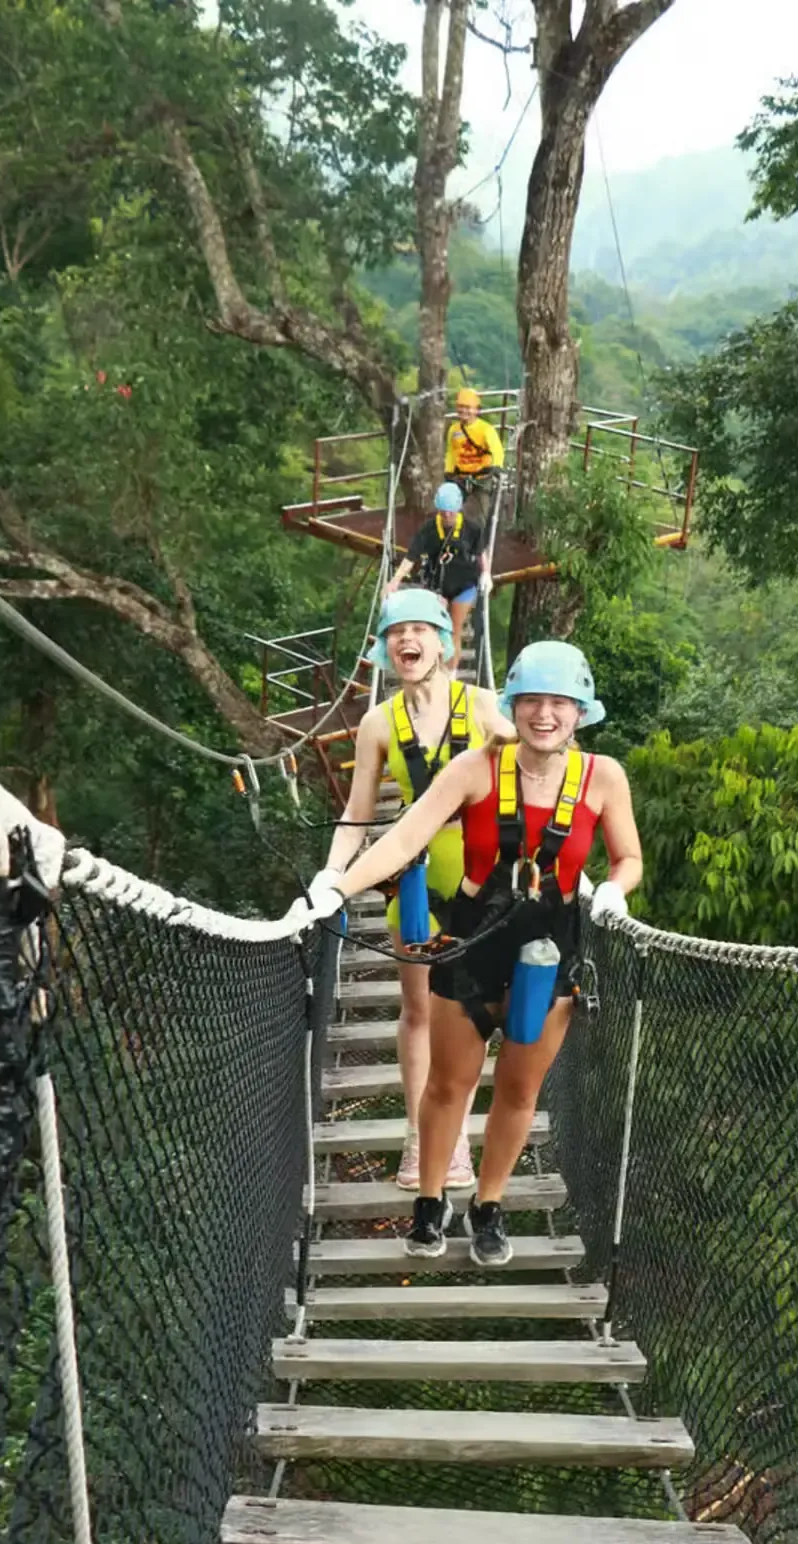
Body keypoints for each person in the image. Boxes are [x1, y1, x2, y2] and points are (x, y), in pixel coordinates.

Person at [288, 642, 641, 1269]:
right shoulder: (476, 767)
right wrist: (336, 886)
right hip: (471, 945)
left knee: (518, 1090)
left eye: (560, 703)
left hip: (549, 957)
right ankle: (430, 1202)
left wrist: (613, 891)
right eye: (532, 700)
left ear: (580, 711)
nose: (544, 714)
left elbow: (626, 857)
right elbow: (404, 837)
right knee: (448, 1084)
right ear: (512, 705)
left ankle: (489, 1205)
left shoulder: (603, 777)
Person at [306, 590, 514, 1191]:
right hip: (414, 876)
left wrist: (507, 738)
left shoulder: (480, 703)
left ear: (444, 643)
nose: (408, 640)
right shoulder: (377, 723)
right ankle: (420, 1136)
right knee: (421, 1009)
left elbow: (517, 752)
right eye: (397, 632)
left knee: (471, 1011)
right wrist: (332, 880)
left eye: (421, 629)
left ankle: (454, 1143)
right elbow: (357, 813)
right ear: (384, 648)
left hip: (479, 876)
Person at [384, 483, 491, 668]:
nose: (447, 516)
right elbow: (411, 556)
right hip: (437, 586)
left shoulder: (471, 529)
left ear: (458, 509)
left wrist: (486, 573)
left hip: (464, 585)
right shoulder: (429, 530)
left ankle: (450, 677)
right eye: (443, 512)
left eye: (451, 512)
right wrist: (395, 581)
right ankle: (433, 670)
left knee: (454, 630)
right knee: (436, 630)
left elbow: (481, 552)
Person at [445, 387, 505, 531]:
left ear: (476, 410)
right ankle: (453, 540)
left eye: (468, 407)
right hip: (460, 476)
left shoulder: (486, 430)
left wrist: (496, 466)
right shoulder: (454, 430)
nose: (464, 411)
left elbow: (496, 450)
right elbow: (452, 452)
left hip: (482, 476)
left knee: (480, 513)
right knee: (451, 509)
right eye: (461, 407)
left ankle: (479, 545)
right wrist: (448, 471)